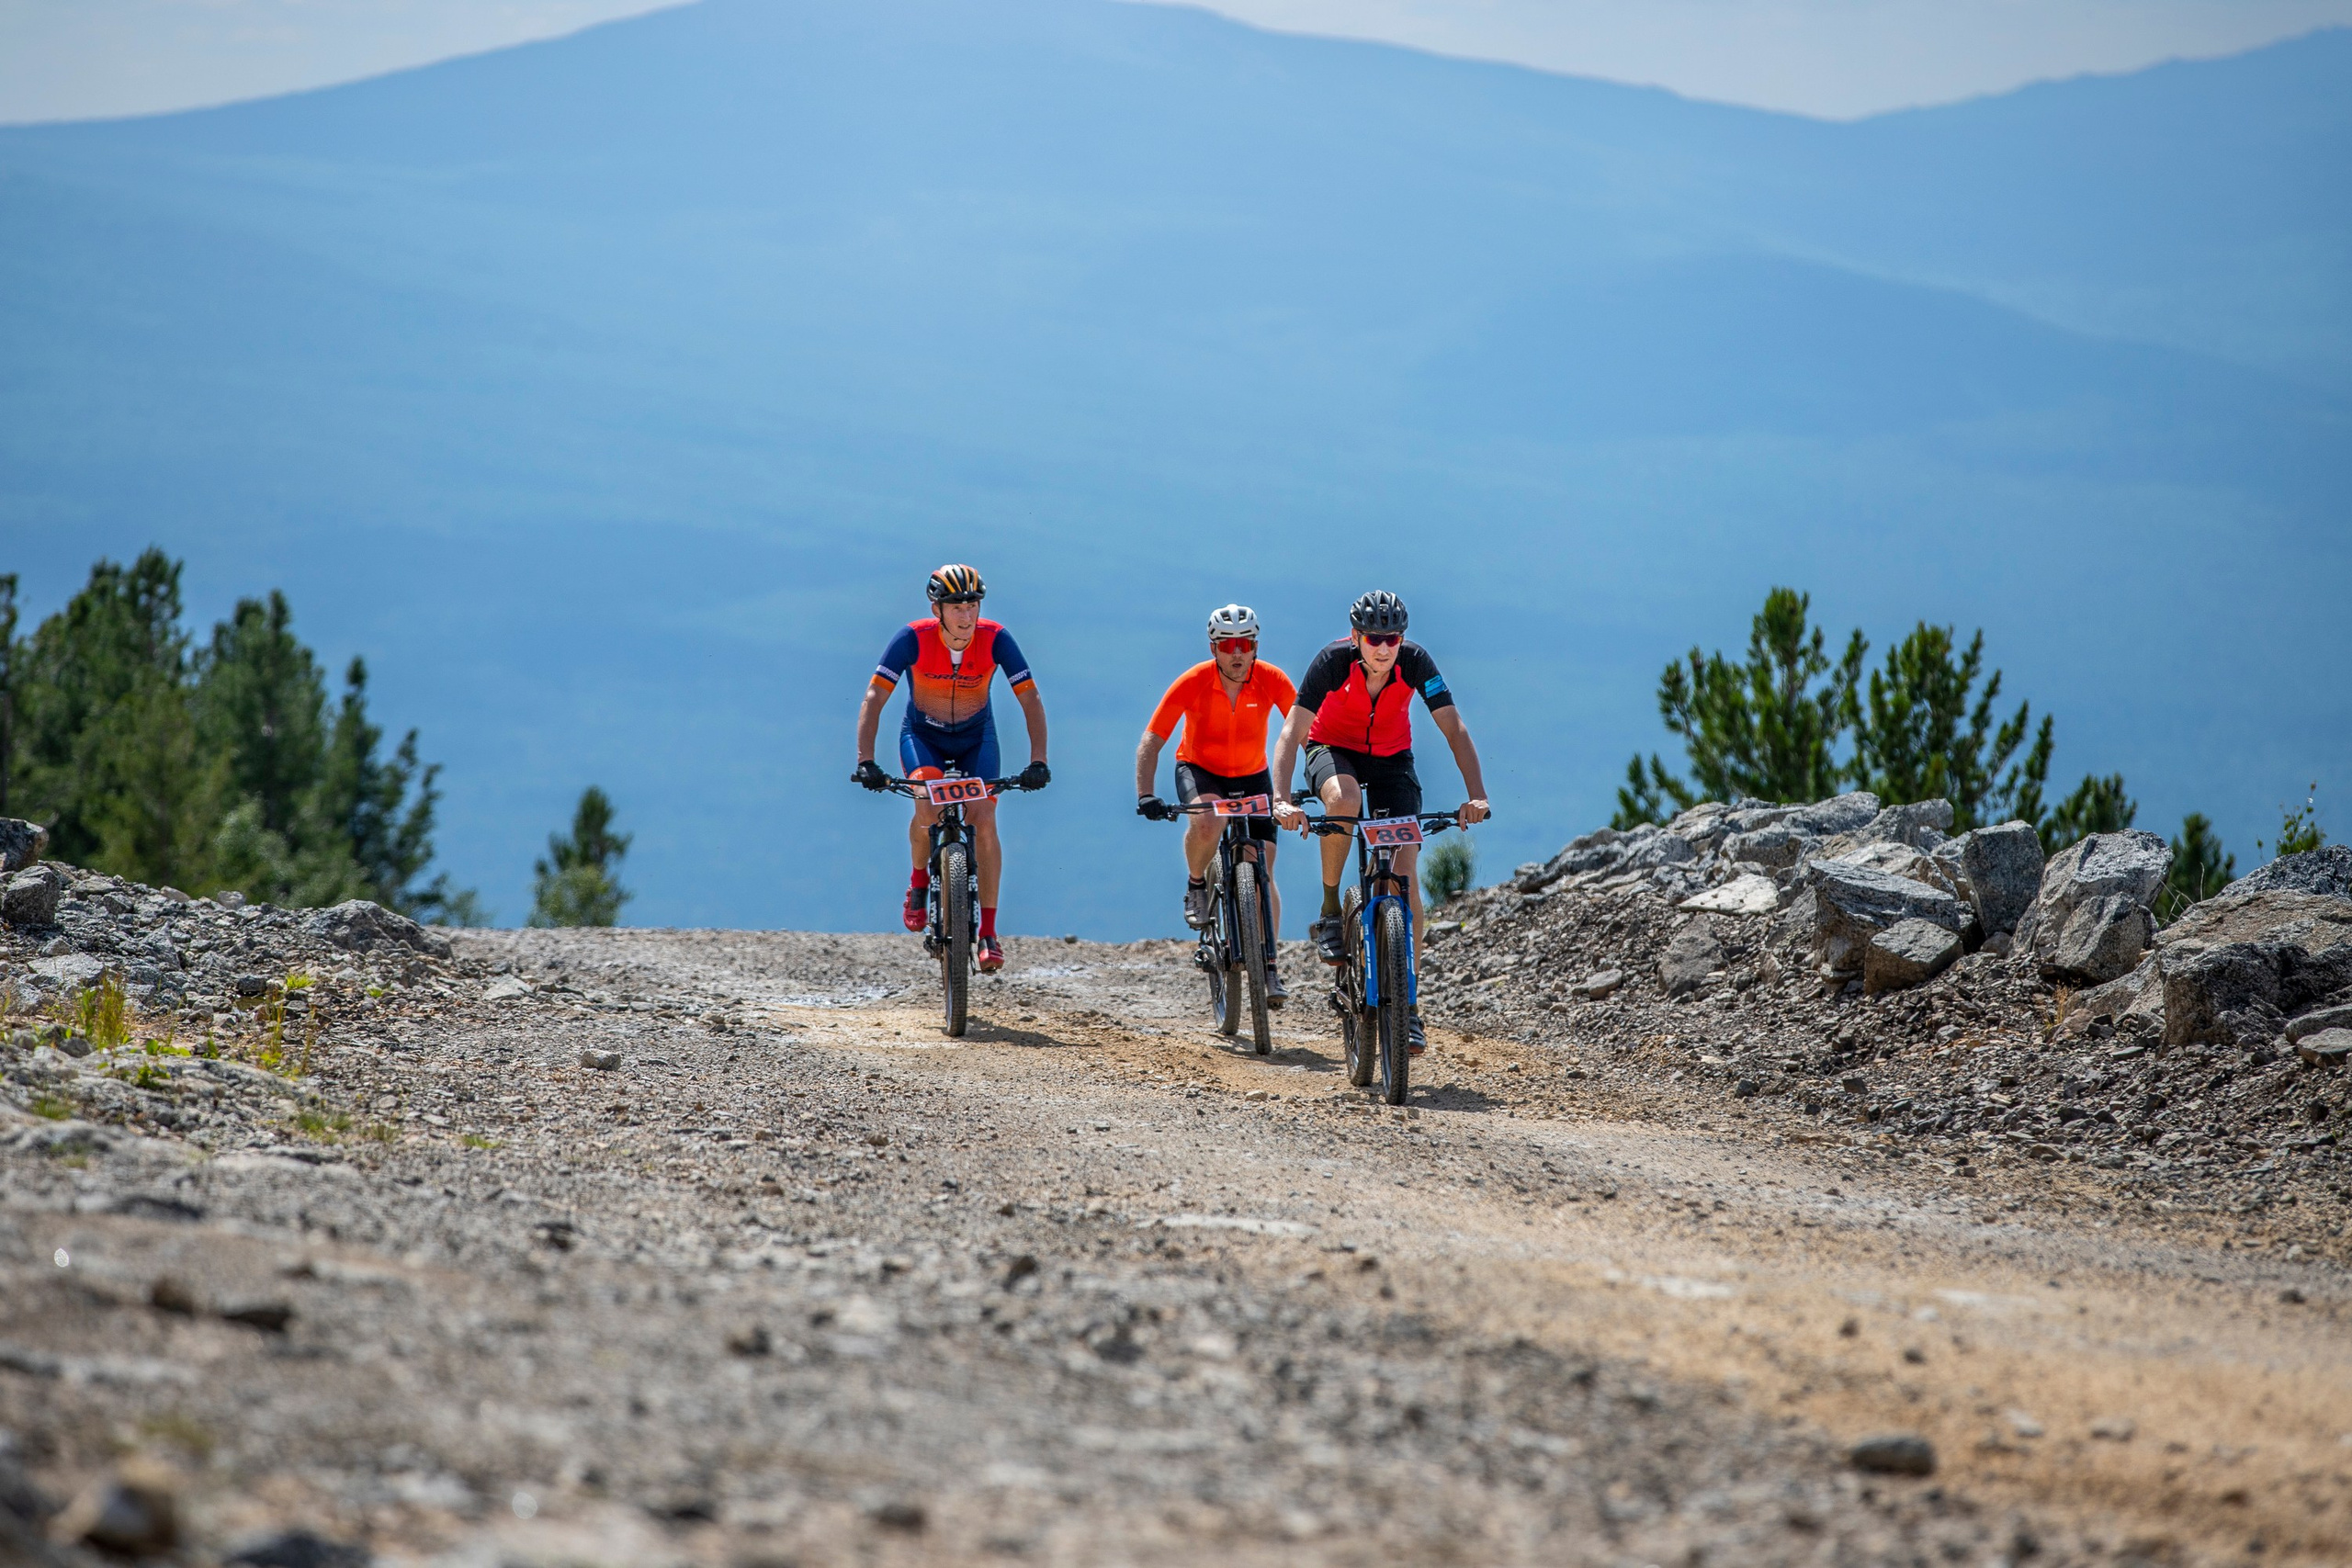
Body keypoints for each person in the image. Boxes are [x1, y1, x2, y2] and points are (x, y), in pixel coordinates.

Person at [1271, 590, 1488, 1052]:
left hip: (1392, 761)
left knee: (1403, 877)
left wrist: (1477, 796)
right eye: (1373, 638)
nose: (1384, 647)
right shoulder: (1331, 662)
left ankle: (1407, 1006)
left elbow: (1454, 729)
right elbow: (1292, 731)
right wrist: (1282, 799)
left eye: (1392, 638)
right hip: (1331, 749)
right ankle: (1332, 907)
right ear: (1356, 637)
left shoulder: (1416, 664)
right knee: (1344, 800)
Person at [854, 565, 1049, 975]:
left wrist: (1038, 761)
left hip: (978, 739)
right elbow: (875, 695)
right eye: (956, 606)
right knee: (926, 803)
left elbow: (1029, 699)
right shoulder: (912, 639)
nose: (966, 614)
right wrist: (866, 761)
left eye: (972, 604)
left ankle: (989, 933)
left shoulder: (996, 639)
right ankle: (920, 881)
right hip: (923, 736)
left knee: (984, 816)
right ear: (936, 609)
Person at [1135, 604, 1296, 1006]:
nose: (1237, 653)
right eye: (1228, 646)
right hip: (1200, 769)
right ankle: (1196, 884)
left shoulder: (1272, 679)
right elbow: (1152, 741)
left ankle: (1269, 966)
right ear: (1214, 648)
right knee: (1207, 822)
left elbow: (1303, 732)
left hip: (1252, 774)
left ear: (1255, 646)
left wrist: (1319, 778)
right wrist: (1146, 795)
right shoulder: (1194, 681)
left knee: (1263, 869)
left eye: (1245, 644)